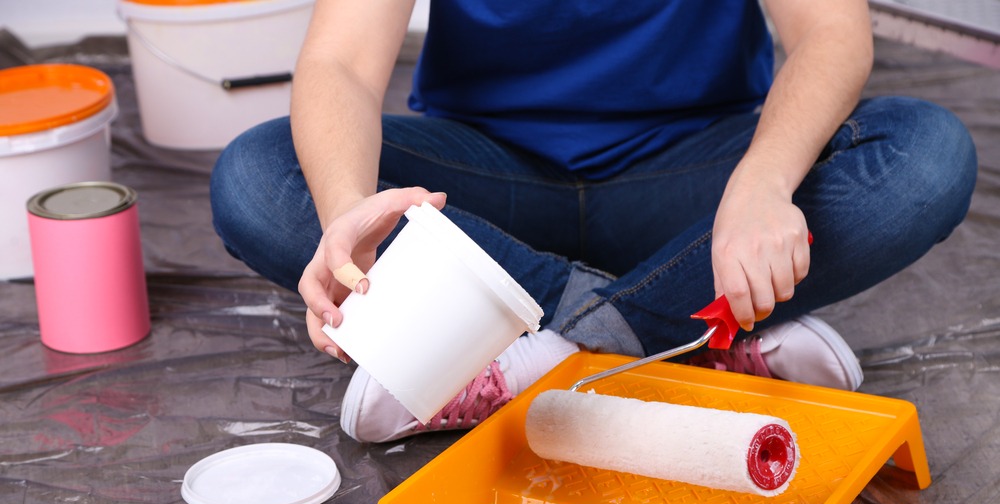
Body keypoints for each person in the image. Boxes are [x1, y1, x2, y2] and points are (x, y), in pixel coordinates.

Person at [211, 0, 977, 443]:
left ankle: (512, 355)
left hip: (692, 182)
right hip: (492, 181)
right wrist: (352, 211)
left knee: (924, 155)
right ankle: (684, 334)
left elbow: (833, 31)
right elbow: (339, 62)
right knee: (258, 177)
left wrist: (763, 182)